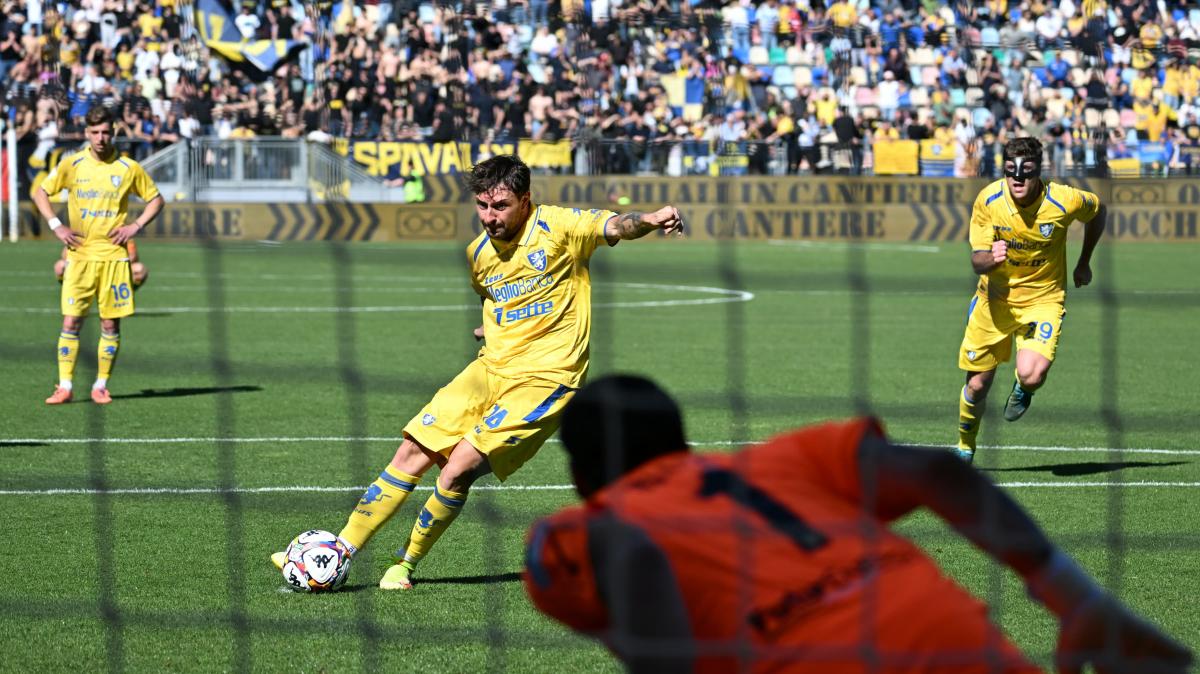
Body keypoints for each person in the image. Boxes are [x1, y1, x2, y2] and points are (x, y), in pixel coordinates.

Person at [524, 375, 1194, 674]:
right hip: (951, 641)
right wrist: (1076, 600)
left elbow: (643, 587)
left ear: (581, 476)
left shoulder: (573, 536)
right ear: (682, 441)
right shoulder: (783, 460)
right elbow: (937, 470)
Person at [272, 154, 685, 590]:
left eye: (501, 206)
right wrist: (492, 325)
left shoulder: (559, 226)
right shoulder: (479, 253)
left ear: (525, 200)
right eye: (483, 206)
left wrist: (650, 219)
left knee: (458, 468)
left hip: (547, 378)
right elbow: (494, 298)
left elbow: (617, 226)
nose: (490, 217)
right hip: (490, 368)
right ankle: (337, 552)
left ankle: (403, 564)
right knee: (411, 451)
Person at [955, 137, 1106, 461]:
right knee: (977, 386)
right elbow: (977, 260)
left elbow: (1098, 211)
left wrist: (1084, 261)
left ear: (1039, 170)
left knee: (1032, 374)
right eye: (1011, 170)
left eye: (1026, 170)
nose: (1018, 178)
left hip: (1044, 300)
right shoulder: (989, 200)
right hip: (994, 302)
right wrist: (991, 259)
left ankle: (1024, 389)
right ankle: (965, 446)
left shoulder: (1064, 200)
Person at [33, 105, 164, 406]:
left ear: (113, 131)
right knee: (71, 323)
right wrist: (56, 225)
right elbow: (41, 192)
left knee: (110, 325)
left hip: (114, 259)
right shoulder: (72, 164)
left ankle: (101, 385)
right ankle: (65, 386)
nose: (101, 138)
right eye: (95, 132)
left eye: (105, 132)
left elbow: (156, 200)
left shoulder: (128, 168)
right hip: (79, 257)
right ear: (87, 133)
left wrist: (135, 226)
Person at [55, 240, 148, 289]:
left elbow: (133, 256)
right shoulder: (84, 229)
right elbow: (65, 255)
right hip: (87, 268)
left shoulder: (120, 230)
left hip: (114, 268)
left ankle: (125, 296)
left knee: (139, 270)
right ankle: (70, 293)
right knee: (61, 266)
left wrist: (112, 263)